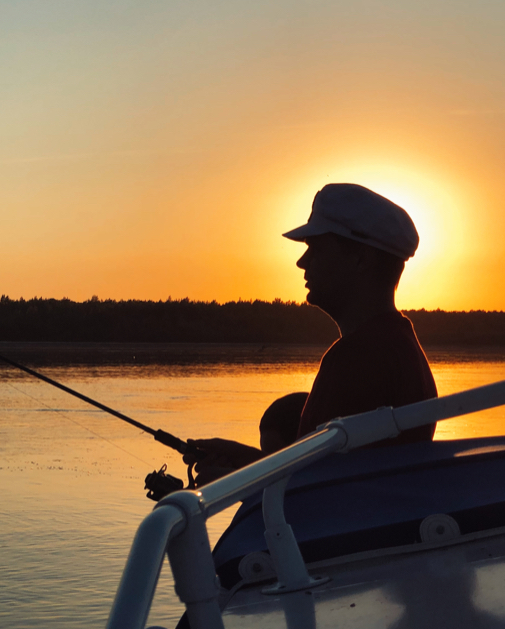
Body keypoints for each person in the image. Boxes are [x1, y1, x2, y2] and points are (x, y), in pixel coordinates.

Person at [186, 183, 439, 483]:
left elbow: (317, 495)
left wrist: (235, 482)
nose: (301, 262)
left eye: (315, 248)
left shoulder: (357, 358)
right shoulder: (399, 345)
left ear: (361, 259)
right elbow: (330, 475)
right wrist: (247, 463)